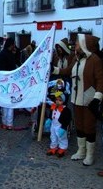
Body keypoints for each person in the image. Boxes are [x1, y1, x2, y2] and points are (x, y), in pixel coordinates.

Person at [52, 34, 103, 165]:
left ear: (84, 45)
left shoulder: (95, 60)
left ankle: (90, 155)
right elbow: (67, 71)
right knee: (80, 125)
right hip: (76, 99)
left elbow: (100, 80)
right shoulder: (76, 59)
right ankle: (81, 151)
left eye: (77, 43)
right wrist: (54, 69)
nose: (75, 45)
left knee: (89, 127)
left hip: (89, 100)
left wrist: (97, 97)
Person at [0, 37, 16, 130]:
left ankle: (5, 122)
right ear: (11, 45)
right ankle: (9, 123)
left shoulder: (1, 54)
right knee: (10, 102)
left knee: (4, 103)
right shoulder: (9, 55)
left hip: (4, 81)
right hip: (9, 80)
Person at [46, 91, 71, 157]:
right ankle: (53, 147)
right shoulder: (53, 106)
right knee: (53, 136)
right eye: (56, 100)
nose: (57, 101)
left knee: (62, 137)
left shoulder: (66, 110)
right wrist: (49, 119)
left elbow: (67, 119)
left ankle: (62, 148)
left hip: (60, 126)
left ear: (63, 101)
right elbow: (51, 114)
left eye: (60, 100)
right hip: (53, 124)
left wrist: (63, 127)